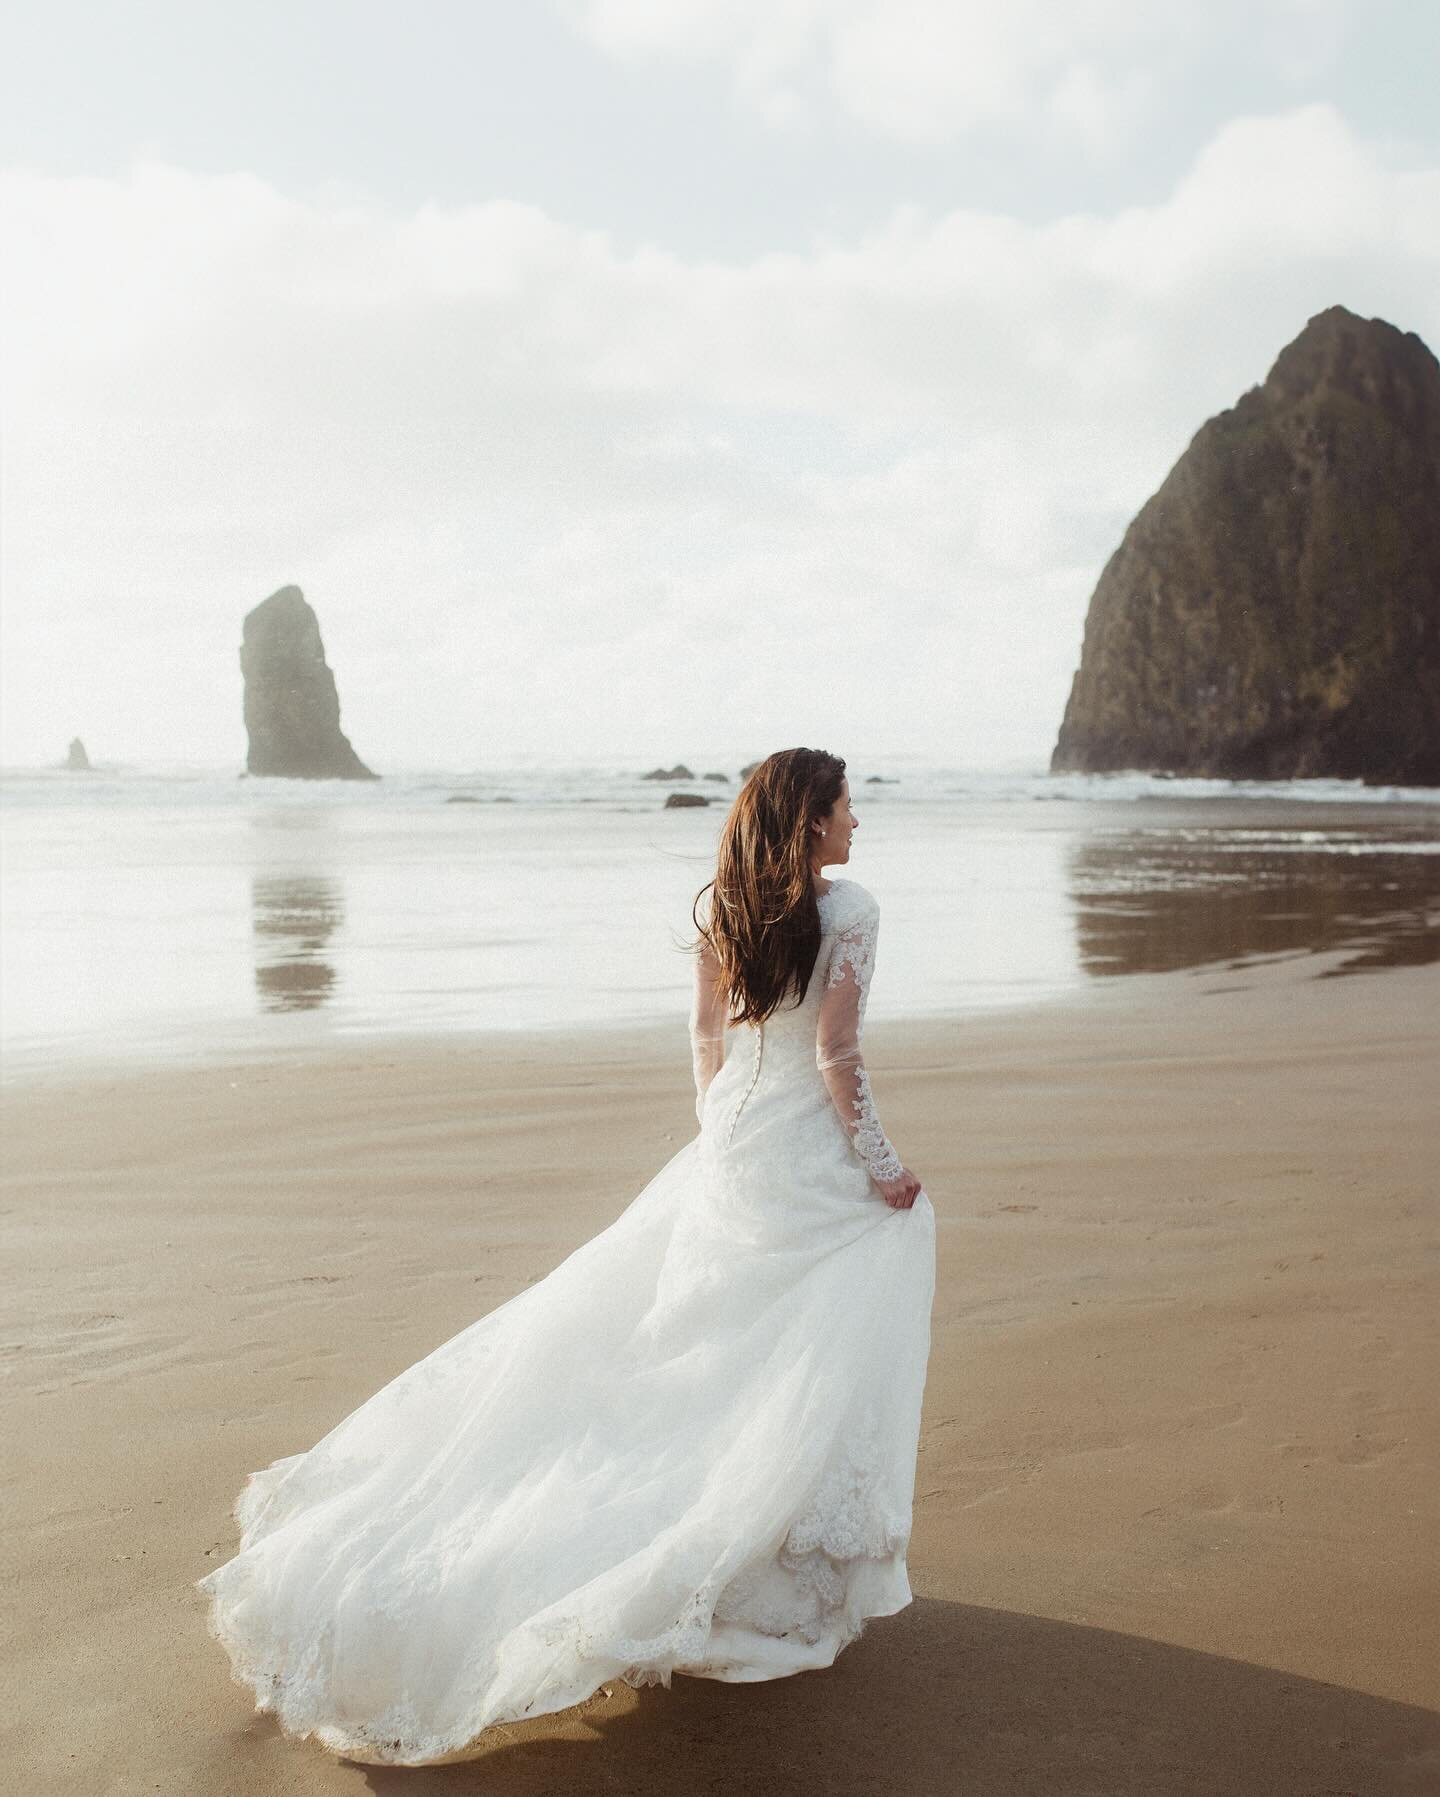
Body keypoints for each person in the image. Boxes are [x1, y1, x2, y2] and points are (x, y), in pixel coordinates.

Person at [198, 746, 935, 1767]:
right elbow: (837, 1054)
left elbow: (704, 1037)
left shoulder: (721, 910)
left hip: (736, 1147)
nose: (859, 824)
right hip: (801, 1152)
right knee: (839, 1288)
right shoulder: (852, 913)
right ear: (811, 821)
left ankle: (736, 1535)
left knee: (696, 1347)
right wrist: (887, 1168)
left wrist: (718, 1132)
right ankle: (748, 1549)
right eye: (849, 808)